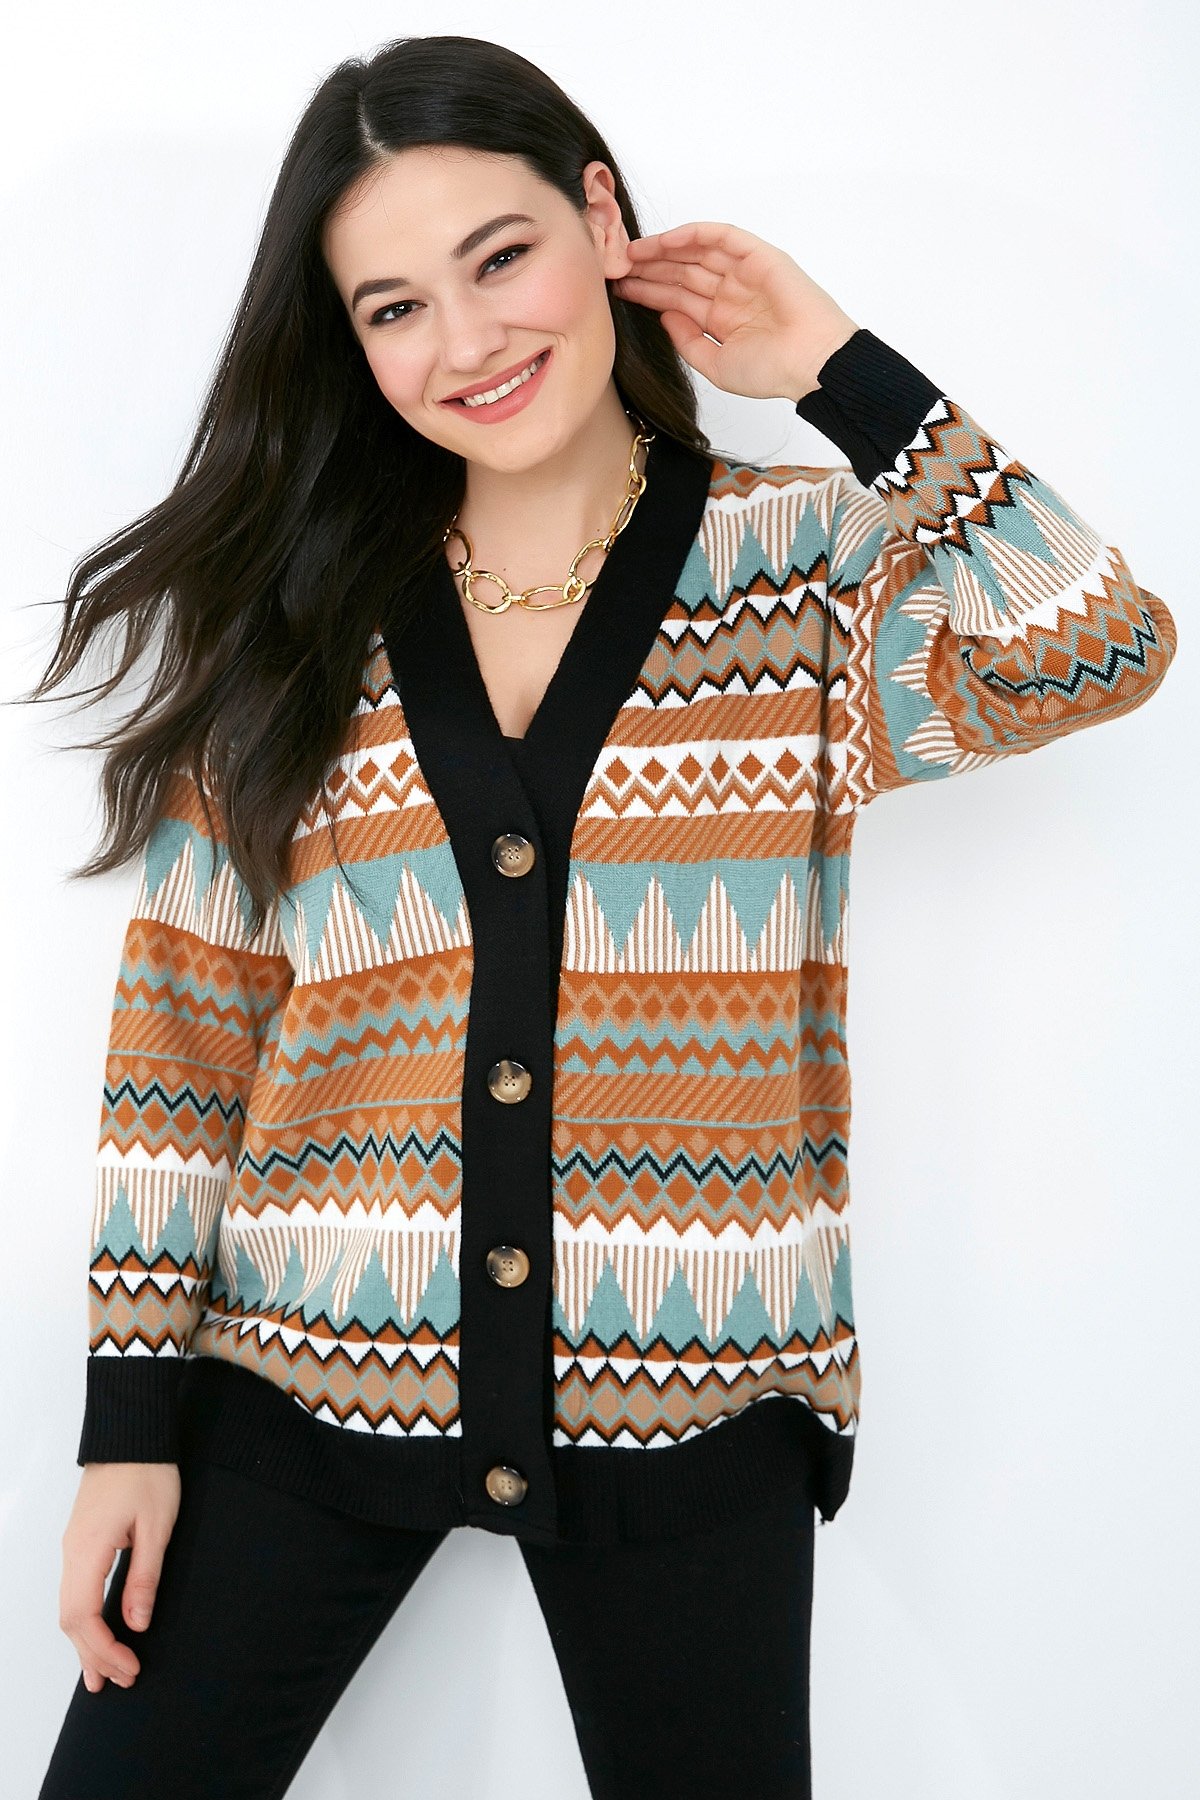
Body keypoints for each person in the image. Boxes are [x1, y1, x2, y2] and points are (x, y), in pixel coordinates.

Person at [30, 31, 1176, 1800]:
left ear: (600, 213)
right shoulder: (297, 616)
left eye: (500, 257)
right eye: (395, 307)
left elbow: (1099, 645)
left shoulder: (801, 575)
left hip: (692, 1382)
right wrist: (128, 1423)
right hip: (302, 1368)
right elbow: (182, 1034)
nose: (467, 341)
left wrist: (839, 371)